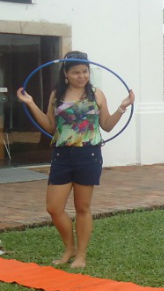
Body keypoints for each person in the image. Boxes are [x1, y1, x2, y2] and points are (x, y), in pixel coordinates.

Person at [15, 50, 135, 268]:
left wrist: (122, 107)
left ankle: (81, 254)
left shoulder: (96, 95)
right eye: (76, 72)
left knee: (82, 208)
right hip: (62, 154)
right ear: (66, 74)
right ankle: (68, 248)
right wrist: (31, 103)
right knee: (54, 207)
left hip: (88, 154)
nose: (82, 76)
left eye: (85, 72)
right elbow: (51, 126)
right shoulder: (56, 95)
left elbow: (106, 125)